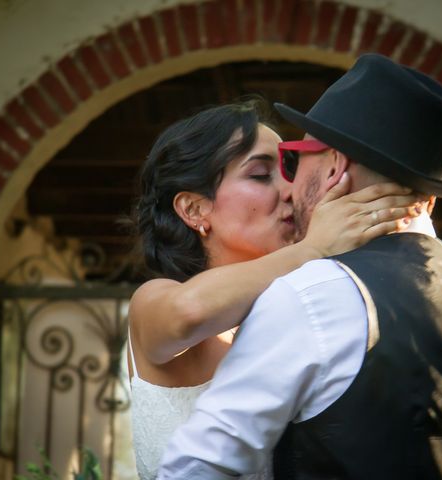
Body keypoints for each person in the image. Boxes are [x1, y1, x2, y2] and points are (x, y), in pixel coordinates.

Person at [157, 54, 442, 479]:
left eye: (293, 160)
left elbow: (196, 469)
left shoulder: (312, 295)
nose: (288, 188)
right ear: (427, 199)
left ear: (335, 166)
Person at [128, 98, 421, 480]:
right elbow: (188, 314)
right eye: (261, 175)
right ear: (194, 209)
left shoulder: (299, 307)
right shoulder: (153, 300)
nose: (289, 190)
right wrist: (313, 248)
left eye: (289, 170)